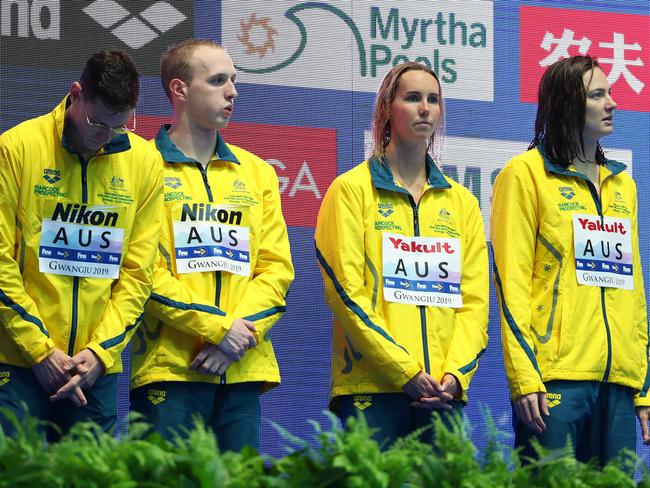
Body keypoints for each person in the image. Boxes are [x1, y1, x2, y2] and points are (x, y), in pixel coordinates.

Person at [130, 39, 294, 452]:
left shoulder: (257, 173)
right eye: (218, 80)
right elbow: (144, 273)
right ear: (179, 90)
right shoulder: (142, 167)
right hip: (171, 368)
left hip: (241, 368)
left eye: (234, 81)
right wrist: (220, 331)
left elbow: (276, 271)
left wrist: (233, 341)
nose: (232, 92)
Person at [314, 62, 489, 446]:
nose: (425, 108)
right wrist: (404, 371)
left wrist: (455, 377)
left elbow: (474, 305)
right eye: (412, 98)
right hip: (373, 388)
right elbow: (346, 294)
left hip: (442, 394)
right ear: (386, 109)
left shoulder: (463, 204)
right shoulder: (351, 191)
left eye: (433, 100)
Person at [491, 55, 650, 465]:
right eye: (597, 95)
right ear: (567, 104)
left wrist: (643, 385)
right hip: (554, 378)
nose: (612, 103)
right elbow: (512, 285)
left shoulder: (623, 185)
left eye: (610, 93)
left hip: (617, 383)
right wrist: (524, 377)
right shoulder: (524, 175)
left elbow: (632, 293)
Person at [0, 50, 163, 440]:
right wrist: (39, 350)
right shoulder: (17, 147)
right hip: (20, 358)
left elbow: (138, 274)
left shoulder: (145, 162)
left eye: (119, 126)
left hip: (95, 369)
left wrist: (100, 354)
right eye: (96, 122)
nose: (104, 136)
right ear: (76, 94)